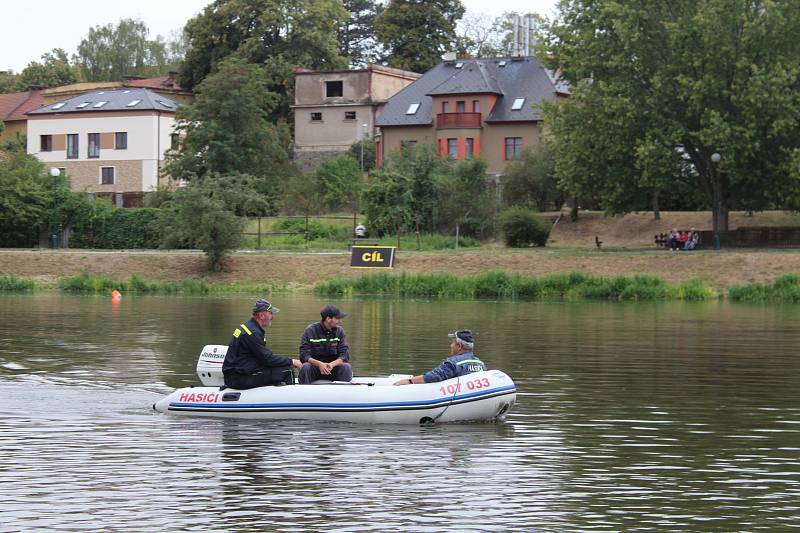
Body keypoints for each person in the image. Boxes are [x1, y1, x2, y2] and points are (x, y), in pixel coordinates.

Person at [222, 298, 302, 390]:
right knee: (287, 370)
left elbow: (263, 358)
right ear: (261, 315)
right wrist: (292, 361)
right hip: (239, 378)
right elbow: (268, 359)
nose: (273, 317)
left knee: (281, 367)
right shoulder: (253, 333)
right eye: (271, 313)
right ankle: (291, 400)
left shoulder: (249, 327)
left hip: (240, 373)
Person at [394, 330, 487, 386]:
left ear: (459, 346)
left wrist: (409, 381)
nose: (450, 345)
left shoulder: (453, 363)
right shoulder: (481, 364)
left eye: (453, 343)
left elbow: (433, 377)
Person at [298, 304, 353, 384]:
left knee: (346, 367)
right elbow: (304, 355)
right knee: (305, 367)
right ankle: (305, 392)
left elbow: (345, 355)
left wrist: (331, 365)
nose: (340, 321)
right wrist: (320, 364)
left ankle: (342, 393)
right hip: (315, 368)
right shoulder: (310, 330)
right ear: (328, 319)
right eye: (337, 318)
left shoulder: (340, 332)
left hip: (332, 368)